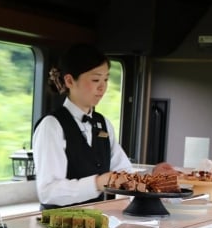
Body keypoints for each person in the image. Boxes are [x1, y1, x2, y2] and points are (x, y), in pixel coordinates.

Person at [32, 44, 176, 209]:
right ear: (70, 81)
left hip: (96, 221)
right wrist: (97, 183)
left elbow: (124, 173)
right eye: (95, 80)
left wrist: (152, 176)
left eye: (106, 79)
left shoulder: (103, 124)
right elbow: (48, 192)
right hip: (57, 226)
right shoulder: (51, 126)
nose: (102, 87)